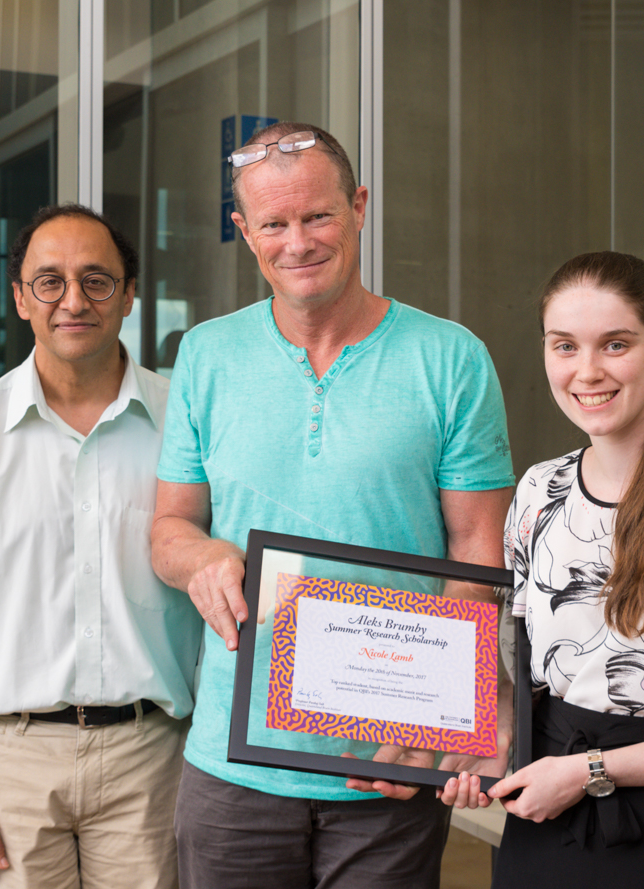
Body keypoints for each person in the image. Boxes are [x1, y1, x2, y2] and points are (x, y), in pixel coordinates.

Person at [151, 121, 515, 889]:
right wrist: (204, 555)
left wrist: (436, 721)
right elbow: (169, 528)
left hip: (388, 763)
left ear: (358, 207)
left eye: (316, 215)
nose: (298, 242)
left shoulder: (450, 358)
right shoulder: (207, 355)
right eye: (274, 224)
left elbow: (476, 552)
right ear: (244, 232)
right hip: (232, 758)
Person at [0, 204, 203, 888]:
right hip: (9, 759)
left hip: (151, 757)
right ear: (20, 298)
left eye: (97, 280)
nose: (73, 300)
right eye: (49, 280)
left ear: (128, 295)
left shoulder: (185, 422)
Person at [440, 252, 644, 887]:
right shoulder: (538, 490)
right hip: (543, 814)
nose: (587, 372)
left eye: (615, 345)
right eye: (565, 346)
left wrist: (590, 772)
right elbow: (520, 677)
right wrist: (488, 744)